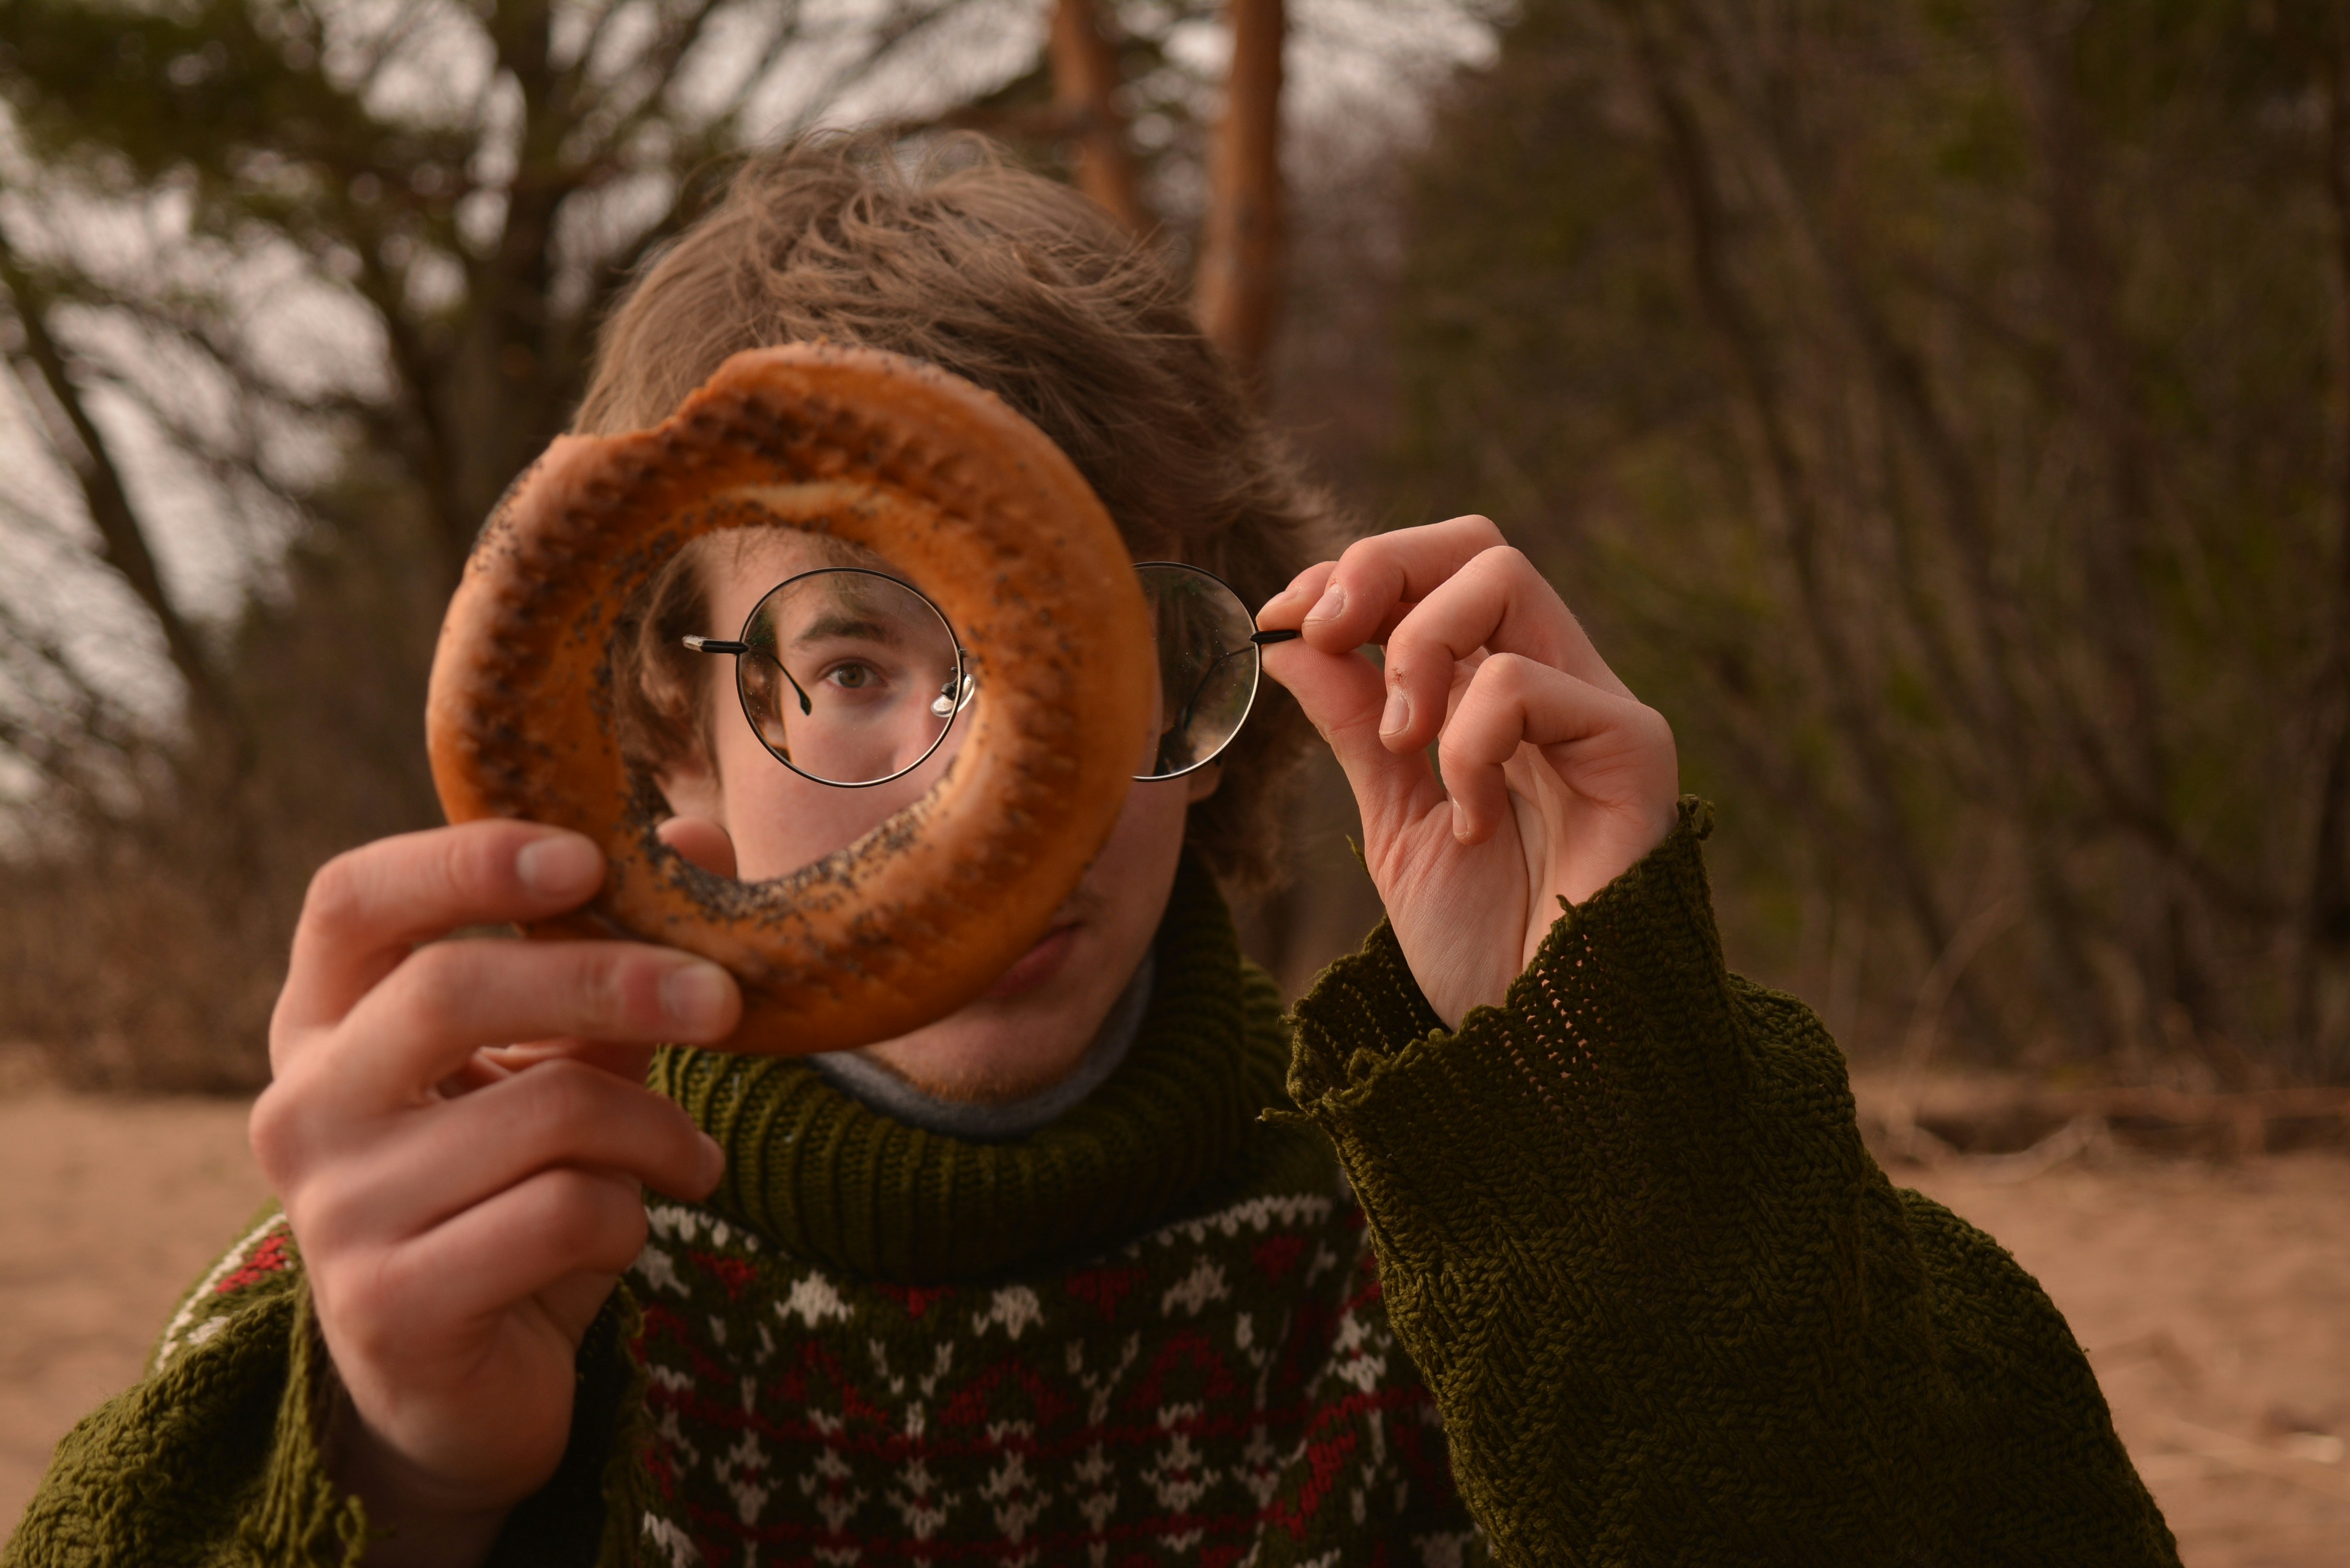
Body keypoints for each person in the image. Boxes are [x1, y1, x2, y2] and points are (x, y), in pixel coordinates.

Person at [5, 136, 2180, 1568]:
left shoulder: (1493, 1236)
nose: (975, 783)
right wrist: (389, 1485)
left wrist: (1620, 1141)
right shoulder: (423, 1273)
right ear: (665, 738)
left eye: (1084, 644)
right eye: (854, 658)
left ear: (1210, 695)